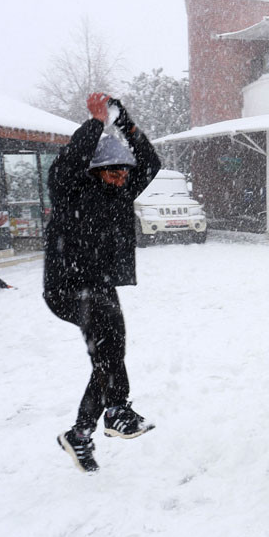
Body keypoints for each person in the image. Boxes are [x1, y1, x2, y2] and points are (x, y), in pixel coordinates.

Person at [44, 92, 161, 472]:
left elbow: (150, 162)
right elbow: (68, 163)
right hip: (68, 286)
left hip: (99, 285)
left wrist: (124, 121)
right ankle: (116, 410)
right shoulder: (70, 189)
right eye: (113, 170)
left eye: (124, 171)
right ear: (94, 169)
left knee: (111, 356)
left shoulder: (121, 191)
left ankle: (80, 434)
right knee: (110, 351)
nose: (121, 177)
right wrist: (96, 122)